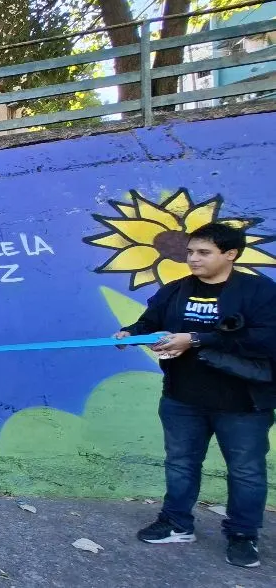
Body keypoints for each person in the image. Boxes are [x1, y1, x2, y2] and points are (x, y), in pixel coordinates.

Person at [115, 223, 276, 569]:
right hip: (182, 397)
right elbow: (150, 322)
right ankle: (176, 523)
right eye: (190, 252)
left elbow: (266, 340)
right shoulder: (175, 291)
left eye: (203, 252)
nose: (192, 259)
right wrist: (131, 332)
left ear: (230, 254)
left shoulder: (260, 292)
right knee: (180, 463)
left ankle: (243, 535)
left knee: (246, 471)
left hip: (242, 403)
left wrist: (197, 339)